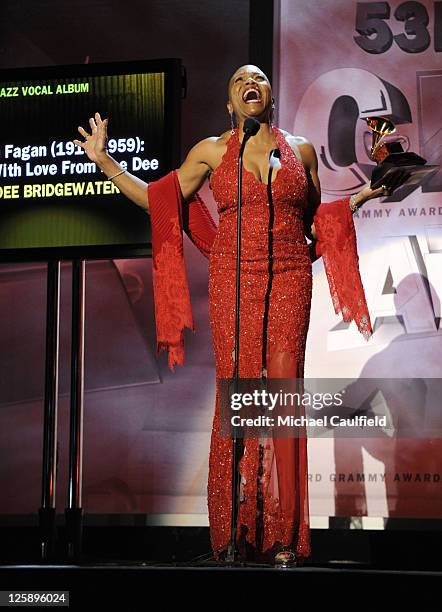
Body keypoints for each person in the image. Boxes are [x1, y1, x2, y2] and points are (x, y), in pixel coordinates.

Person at [73, 64, 406, 567]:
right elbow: (160, 201)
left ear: (271, 94)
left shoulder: (301, 150)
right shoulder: (210, 150)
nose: (251, 84)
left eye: (260, 79)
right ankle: (232, 534)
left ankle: (286, 538)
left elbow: (317, 223)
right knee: (238, 395)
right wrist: (105, 163)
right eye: (238, 81)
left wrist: (363, 194)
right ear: (231, 102)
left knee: (281, 396)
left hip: (291, 277)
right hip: (234, 279)